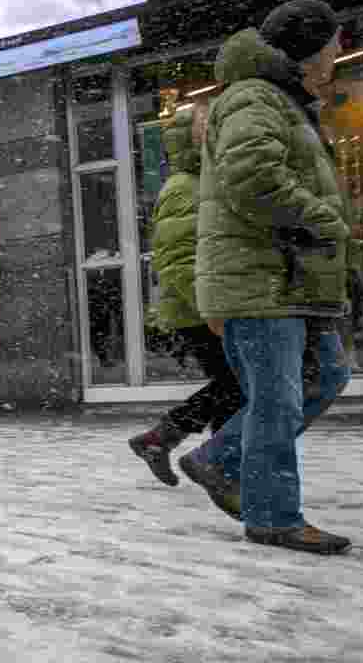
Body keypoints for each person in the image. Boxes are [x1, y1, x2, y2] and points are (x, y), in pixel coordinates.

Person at [179, 0, 354, 554]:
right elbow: (253, 177)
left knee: (324, 375)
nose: (339, 51)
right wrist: (325, 220)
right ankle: (274, 517)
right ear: (309, 45)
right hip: (261, 278)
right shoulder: (255, 97)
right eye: (334, 41)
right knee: (278, 399)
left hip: (289, 276)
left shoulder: (279, 98)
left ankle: (218, 457)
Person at [129, 104, 245, 485]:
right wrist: (210, 308)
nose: (214, 129)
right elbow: (177, 259)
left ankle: (167, 441)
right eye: (204, 124)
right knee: (237, 384)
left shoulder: (206, 181)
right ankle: (213, 459)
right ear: (186, 138)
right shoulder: (183, 188)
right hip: (199, 310)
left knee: (232, 385)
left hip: (210, 305)